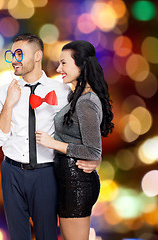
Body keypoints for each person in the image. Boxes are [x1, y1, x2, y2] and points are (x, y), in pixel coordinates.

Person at [0, 33, 101, 240]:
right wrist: (9, 103)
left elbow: (81, 131)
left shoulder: (62, 91)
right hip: (12, 171)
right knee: (17, 235)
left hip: (46, 172)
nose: (14, 60)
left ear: (37, 56)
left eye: (19, 54)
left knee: (47, 234)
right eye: (12, 54)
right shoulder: (5, 90)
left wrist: (95, 156)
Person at [36, 40, 114, 240]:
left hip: (76, 183)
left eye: (63, 63)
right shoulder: (77, 96)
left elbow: (93, 151)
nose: (58, 68)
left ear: (80, 65)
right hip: (69, 180)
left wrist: (52, 143)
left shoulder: (86, 101)